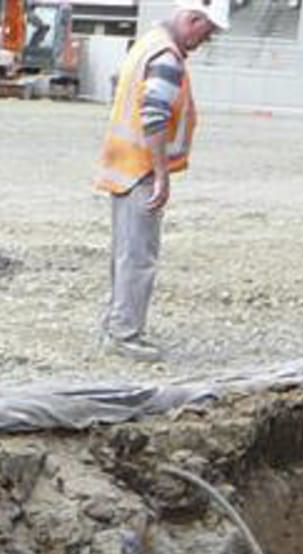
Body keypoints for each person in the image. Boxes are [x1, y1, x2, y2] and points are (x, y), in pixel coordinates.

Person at [93, 2, 228, 362]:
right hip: (140, 168)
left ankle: (116, 324)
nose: (206, 41)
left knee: (126, 252)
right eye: (207, 33)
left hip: (123, 163)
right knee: (139, 256)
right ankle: (125, 335)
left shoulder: (148, 42)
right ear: (192, 19)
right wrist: (162, 174)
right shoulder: (166, 57)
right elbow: (153, 115)